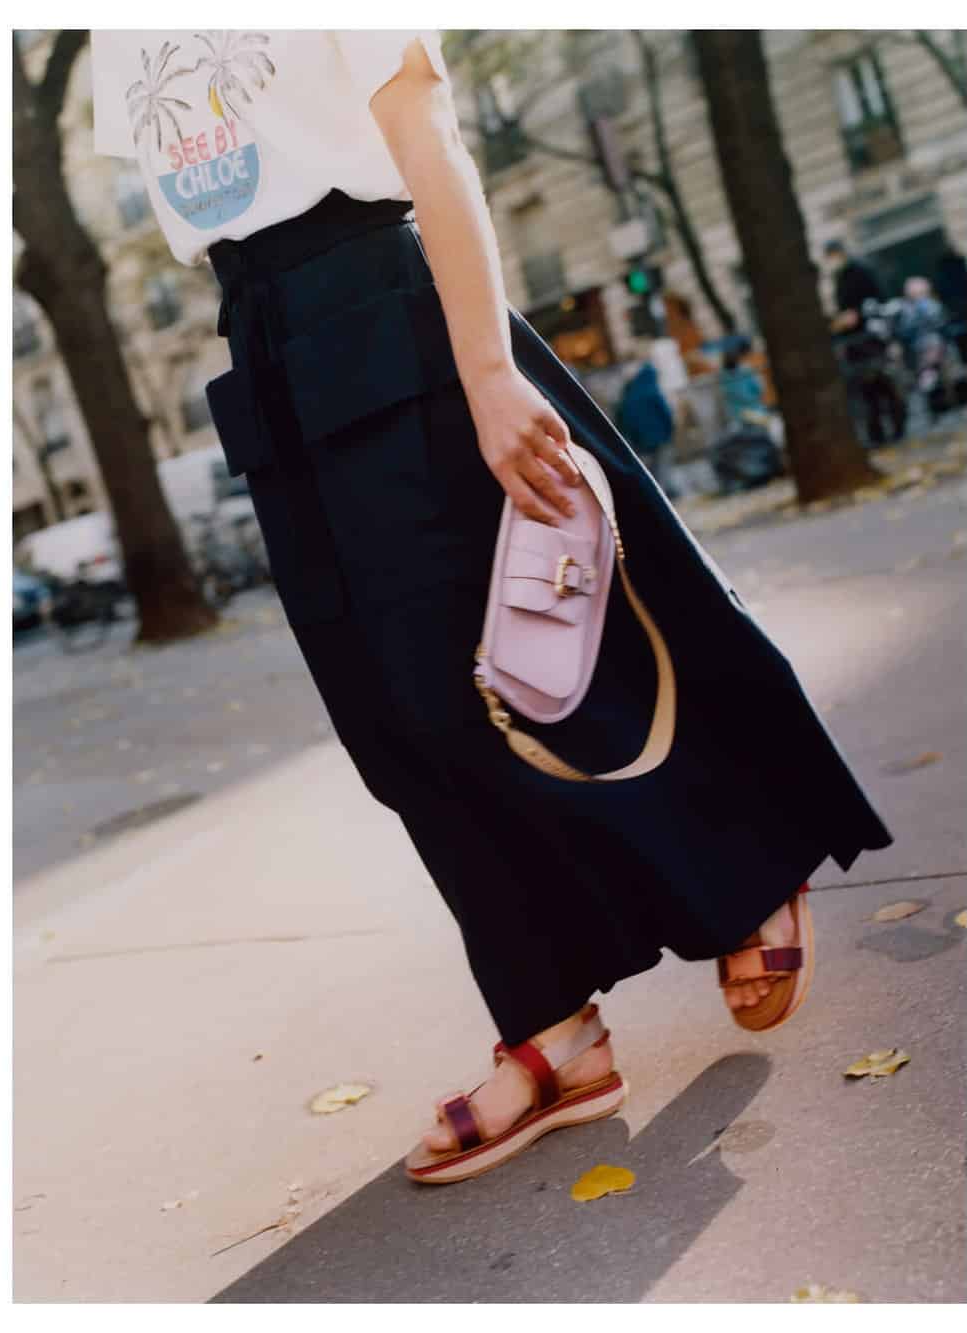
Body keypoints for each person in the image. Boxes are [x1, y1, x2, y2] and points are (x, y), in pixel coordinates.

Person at [90, 30, 892, 1184]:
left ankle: (746, 857)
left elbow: (430, 137)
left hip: (386, 306)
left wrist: (486, 370)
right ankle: (553, 1031)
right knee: (393, 728)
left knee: (524, 652)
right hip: (263, 348)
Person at [821, 239, 906, 444]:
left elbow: (876, 302)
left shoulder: (861, 272)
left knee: (883, 384)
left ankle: (896, 428)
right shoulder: (839, 277)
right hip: (854, 342)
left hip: (870, 338)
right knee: (867, 391)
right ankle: (877, 434)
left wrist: (857, 315)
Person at [614, 358, 676, 492]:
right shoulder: (653, 392)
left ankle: (659, 491)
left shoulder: (630, 396)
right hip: (660, 436)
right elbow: (665, 413)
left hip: (641, 441)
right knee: (662, 466)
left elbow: (627, 420)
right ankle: (663, 493)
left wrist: (635, 437)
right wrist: (670, 430)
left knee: (650, 469)